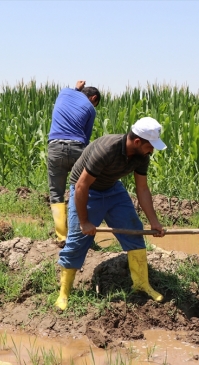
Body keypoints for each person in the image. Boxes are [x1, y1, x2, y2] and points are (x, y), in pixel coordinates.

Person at [54, 117, 168, 311]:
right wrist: (84, 222)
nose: (153, 150)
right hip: (86, 190)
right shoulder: (106, 149)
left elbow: (142, 189)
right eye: (151, 145)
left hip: (113, 189)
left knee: (134, 231)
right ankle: (63, 294)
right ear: (138, 141)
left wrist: (154, 222)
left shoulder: (142, 155)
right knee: (76, 240)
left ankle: (141, 284)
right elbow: (82, 186)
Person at [47, 80, 101, 242]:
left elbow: (75, 89)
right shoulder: (90, 109)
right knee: (80, 189)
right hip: (78, 149)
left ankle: (62, 237)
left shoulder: (64, 93)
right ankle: (79, 235)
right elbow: (86, 137)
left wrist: (78, 87)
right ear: (93, 98)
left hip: (55, 148)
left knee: (56, 193)